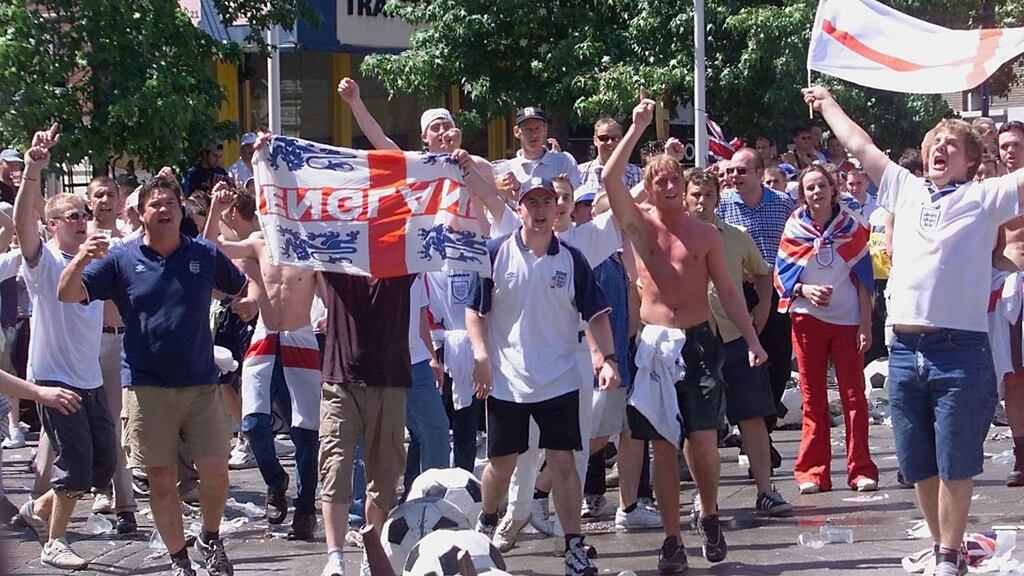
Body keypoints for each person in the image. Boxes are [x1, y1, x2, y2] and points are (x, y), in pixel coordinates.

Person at [805, 84, 1024, 576]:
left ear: (970, 161)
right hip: (903, 348)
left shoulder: (985, 196)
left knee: (956, 460)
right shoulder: (903, 186)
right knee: (918, 460)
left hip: (959, 349)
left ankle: (951, 551)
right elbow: (860, 145)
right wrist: (826, 103)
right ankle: (938, 542)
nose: (939, 149)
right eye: (933, 144)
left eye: (952, 145)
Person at [605, 96, 767, 572]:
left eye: (676, 177)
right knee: (662, 446)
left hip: (699, 341)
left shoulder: (706, 235)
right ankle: (672, 538)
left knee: (702, 440)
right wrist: (635, 128)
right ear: (650, 189)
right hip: (654, 345)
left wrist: (753, 340)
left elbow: (732, 293)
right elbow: (610, 179)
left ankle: (710, 512)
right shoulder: (639, 226)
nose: (671, 184)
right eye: (661, 179)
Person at [58, 170, 246, 576]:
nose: (164, 209)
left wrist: (252, 310)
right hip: (146, 388)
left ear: (181, 212)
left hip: (200, 385)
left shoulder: (204, 255)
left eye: (170, 204)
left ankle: (209, 538)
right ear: (141, 214)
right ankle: (180, 560)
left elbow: (242, 288)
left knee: (215, 472)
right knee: (161, 481)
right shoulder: (121, 259)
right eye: (155, 205)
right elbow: (67, 293)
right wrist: (81, 257)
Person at [466, 176, 619, 576]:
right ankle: (485, 518)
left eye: (546, 202)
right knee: (502, 465)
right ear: (518, 209)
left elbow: (598, 315)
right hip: (507, 380)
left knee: (564, 461)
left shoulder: (572, 259)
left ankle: (573, 545)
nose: (539, 210)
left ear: (558, 209)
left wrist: (607, 359)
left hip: (560, 379)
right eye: (530, 203)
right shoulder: (495, 253)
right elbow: (473, 310)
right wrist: (481, 355)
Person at [13, 125, 116, 571]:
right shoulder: (45, 260)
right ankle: (54, 543)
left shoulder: (98, 261)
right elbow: (21, 224)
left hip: (89, 378)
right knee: (75, 469)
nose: (80, 220)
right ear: (53, 225)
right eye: (71, 216)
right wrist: (33, 170)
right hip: (54, 379)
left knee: (103, 468)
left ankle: (37, 509)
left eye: (83, 214)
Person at [205, 184, 322, 540]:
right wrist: (214, 209)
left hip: (301, 337)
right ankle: (275, 480)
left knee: (306, 432)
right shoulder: (260, 241)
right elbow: (211, 249)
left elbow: (333, 290)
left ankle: (304, 508)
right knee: (254, 424)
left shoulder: (314, 247)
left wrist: (331, 315)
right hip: (265, 336)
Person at [682, 167, 792, 516]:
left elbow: (763, 273)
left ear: (719, 197)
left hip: (735, 338)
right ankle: (705, 499)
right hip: (693, 341)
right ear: (685, 198)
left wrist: (760, 314)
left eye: (708, 195)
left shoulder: (737, 235)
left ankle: (766, 490)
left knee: (753, 416)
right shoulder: (674, 237)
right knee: (698, 426)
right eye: (695, 195)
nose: (702, 202)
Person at [774, 164, 879, 494]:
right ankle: (812, 471)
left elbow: (865, 281)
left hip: (848, 322)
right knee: (813, 399)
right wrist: (806, 291)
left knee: (854, 398)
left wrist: (865, 324)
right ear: (802, 195)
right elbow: (783, 276)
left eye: (821, 186)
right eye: (809, 188)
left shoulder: (853, 226)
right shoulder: (795, 227)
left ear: (834, 189)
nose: (816, 192)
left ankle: (860, 469)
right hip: (807, 320)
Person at [318, 267, 416, 576]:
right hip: (340, 382)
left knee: (384, 479)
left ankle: (370, 555)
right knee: (335, 467)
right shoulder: (338, 261)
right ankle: (335, 558)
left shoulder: (400, 263)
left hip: (389, 382)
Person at [716, 147, 796, 468]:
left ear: (760, 173)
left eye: (741, 171)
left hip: (777, 291)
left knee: (777, 365)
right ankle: (754, 438)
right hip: (739, 293)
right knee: (747, 365)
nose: (734, 177)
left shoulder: (783, 204)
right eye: (731, 171)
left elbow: (796, 243)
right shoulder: (721, 207)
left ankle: (764, 431)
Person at [83, 176, 138, 534]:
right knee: (79, 425)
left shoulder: (125, 240)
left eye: (111, 194)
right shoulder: (78, 237)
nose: (105, 200)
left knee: (118, 424)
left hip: (118, 341)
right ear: (89, 201)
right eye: (98, 195)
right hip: (82, 346)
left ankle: (126, 506)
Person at [993, 120, 1024, 488]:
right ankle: (1020, 454)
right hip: (1007, 292)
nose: (1010, 151)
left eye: (1016, 144)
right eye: (1005, 146)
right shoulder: (993, 194)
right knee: (1014, 378)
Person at [502, 107, 582, 194]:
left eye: (537, 128)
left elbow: (577, 195)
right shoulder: (508, 169)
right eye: (528, 129)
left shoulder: (564, 161)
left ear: (545, 130)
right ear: (517, 132)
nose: (534, 134)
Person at [577, 117, 643, 198]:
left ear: (621, 140)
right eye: (604, 138)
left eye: (615, 138)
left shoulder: (636, 173)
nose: (610, 143)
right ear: (595, 140)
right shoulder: (580, 172)